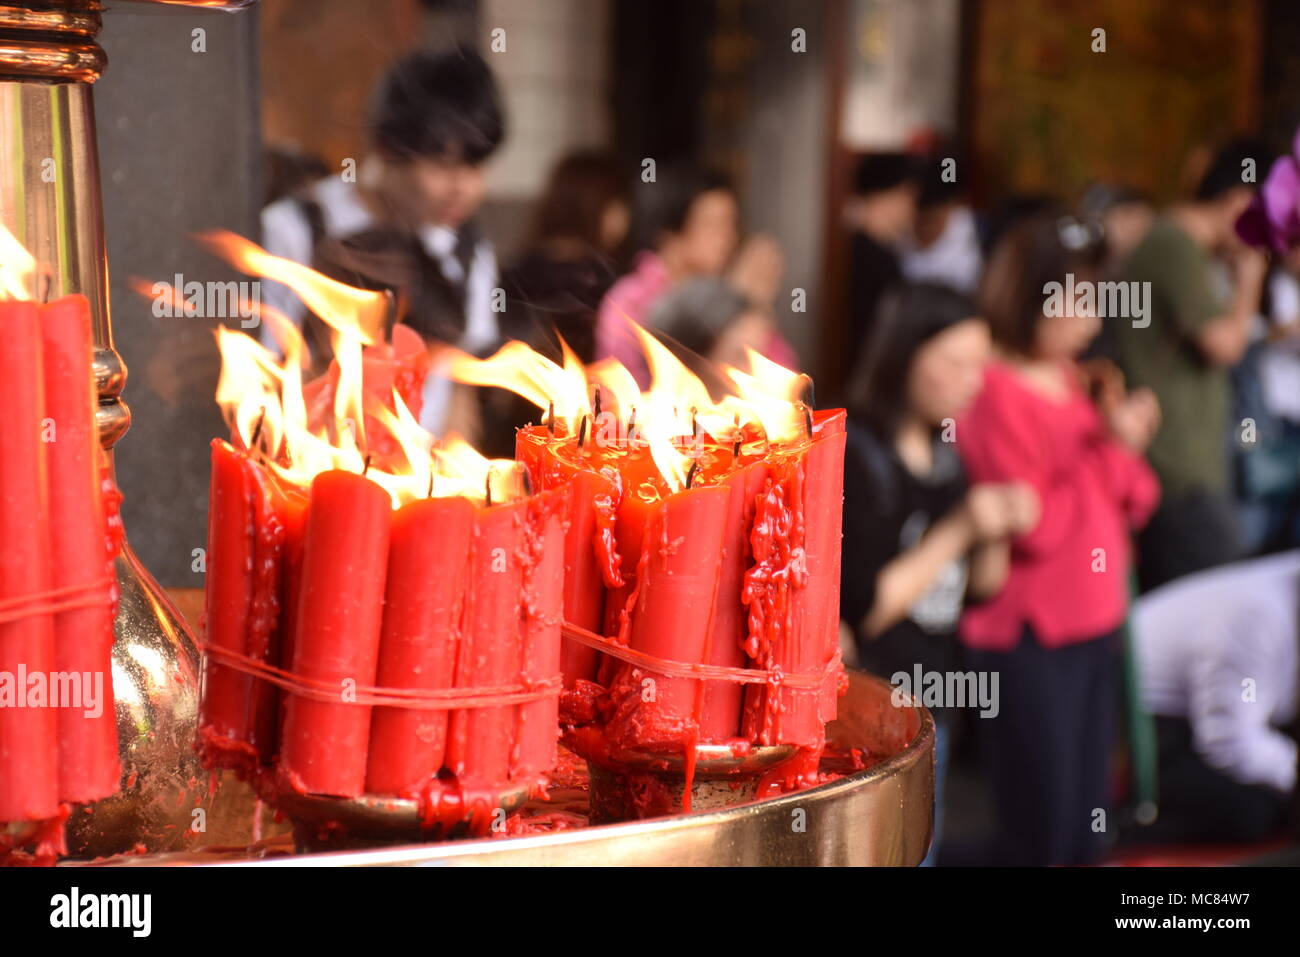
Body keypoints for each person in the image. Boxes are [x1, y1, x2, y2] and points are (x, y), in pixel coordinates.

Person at [959, 212, 1162, 866]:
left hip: (1095, 623)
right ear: (1027, 296)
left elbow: (1138, 498)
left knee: (1084, 832)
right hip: (1030, 635)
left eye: (1093, 296)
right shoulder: (991, 391)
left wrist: (1120, 444)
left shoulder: (1074, 377)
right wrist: (1110, 447)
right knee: (1039, 836)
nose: (1089, 316)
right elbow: (1034, 527)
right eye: (1073, 298)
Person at [840, 282, 1039, 866]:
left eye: (979, 365)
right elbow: (863, 608)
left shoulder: (950, 455)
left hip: (933, 710)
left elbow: (979, 588)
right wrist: (957, 530)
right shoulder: (861, 457)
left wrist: (995, 529)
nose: (972, 382)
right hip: (870, 719)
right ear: (904, 355)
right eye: (955, 363)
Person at [260, 47, 505, 435]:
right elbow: (265, 374)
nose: (465, 187)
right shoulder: (297, 229)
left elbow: (458, 389)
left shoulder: (468, 251)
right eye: (444, 164)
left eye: (476, 165)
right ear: (386, 148)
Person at [1109, 141, 1267, 590]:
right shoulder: (1173, 246)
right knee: (1211, 608)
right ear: (1238, 201)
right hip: (1178, 470)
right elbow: (1224, 345)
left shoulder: (1182, 246)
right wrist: (1250, 278)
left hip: (1185, 466)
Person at [1130, 550, 1300, 844]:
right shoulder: (1258, 618)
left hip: (1219, 711)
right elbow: (1232, 741)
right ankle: (1121, 827)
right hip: (1143, 720)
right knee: (1250, 812)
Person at [594, 163, 794, 387]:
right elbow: (630, 392)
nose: (727, 237)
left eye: (731, 223)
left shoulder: (726, 291)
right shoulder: (631, 300)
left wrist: (750, 306)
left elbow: (780, 383)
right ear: (668, 233)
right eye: (713, 224)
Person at [499, 150, 630, 365]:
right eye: (619, 206)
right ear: (598, 206)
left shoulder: (516, 270)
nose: (624, 218)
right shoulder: (602, 281)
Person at [839, 153, 918, 392]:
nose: (912, 208)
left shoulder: (876, 251)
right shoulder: (864, 255)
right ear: (891, 194)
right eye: (909, 196)